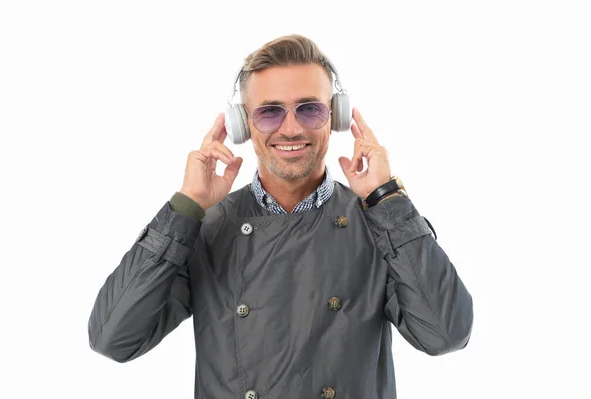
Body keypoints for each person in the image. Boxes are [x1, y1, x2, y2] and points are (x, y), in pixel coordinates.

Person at [88, 34, 473, 399]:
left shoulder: (379, 225)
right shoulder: (204, 229)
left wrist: (386, 198)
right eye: (270, 112)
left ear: (334, 116)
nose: (291, 128)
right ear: (243, 124)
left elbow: (445, 334)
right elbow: (113, 339)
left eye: (310, 109)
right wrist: (186, 205)